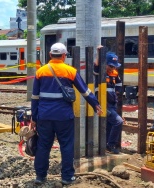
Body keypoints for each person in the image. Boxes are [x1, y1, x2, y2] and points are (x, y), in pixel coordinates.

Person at [30, 42, 102, 185]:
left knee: (43, 146)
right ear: (64, 56)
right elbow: (84, 90)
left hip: (44, 116)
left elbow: (35, 97)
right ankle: (67, 177)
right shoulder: (70, 71)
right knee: (66, 146)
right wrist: (95, 104)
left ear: (50, 55)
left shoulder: (40, 71)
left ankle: (40, 176)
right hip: (64, 116)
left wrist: (34, 117)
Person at [94, 49, 123, 154]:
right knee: (118, 121)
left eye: (115, 66)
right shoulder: (100, 71)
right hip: (103, 104)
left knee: (110, 124)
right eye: (111, 66)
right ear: (105, 64)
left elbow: (119, 84)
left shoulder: (115, 73)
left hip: (112, 103)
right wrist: (98, 52)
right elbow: (96, 65)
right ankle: (110, 145)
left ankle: (106, 146)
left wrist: (117, 93)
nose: (113, 68)